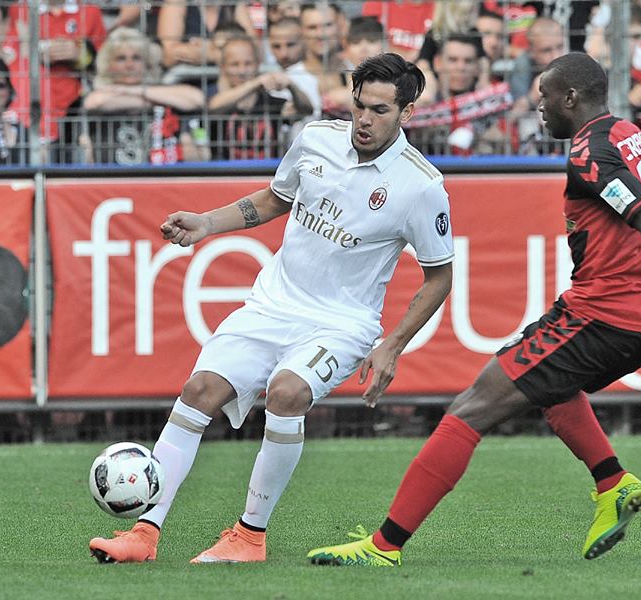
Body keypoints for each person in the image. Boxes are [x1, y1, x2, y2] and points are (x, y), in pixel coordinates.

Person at [306, 51, 641, 567]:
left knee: (469, 409)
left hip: (608, 314)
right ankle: (613, 483)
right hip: (634, 312)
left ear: (570, 98)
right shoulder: (626, 133)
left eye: (545, 99)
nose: (540, 110)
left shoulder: (590, 155)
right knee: (552, 386)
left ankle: (383, 546)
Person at [88, 52, 455, 564]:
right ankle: (144, 534)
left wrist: (391, 345)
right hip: (271, 304)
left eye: (379, 110)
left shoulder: (422, 186)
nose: (364, 121)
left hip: (341, 323)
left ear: (407, 113)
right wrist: (207, 224)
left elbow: (440, 275)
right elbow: (276, 198)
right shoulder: (316, 139)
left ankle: (249, 537)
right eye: (358, 107)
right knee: (199, 390)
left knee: (287, 393)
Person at [75, 27, 205, 165]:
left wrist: (135, 90)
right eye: (121, 58)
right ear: (108, 65)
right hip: (112, 175)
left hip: (161, 174)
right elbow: (95, 102)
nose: (129, 65)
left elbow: (197, 99)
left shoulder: (154, 90)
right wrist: (159, 100)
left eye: (136, 58)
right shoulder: (100, 93)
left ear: (147, 64)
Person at [208, 34, 314, 160]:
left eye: (248, 64)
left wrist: (291, 85)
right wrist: (256, 82)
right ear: (223, 67)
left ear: (258, 64)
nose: (242, 71)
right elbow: (212, 107)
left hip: (265, 173)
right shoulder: (219, 99)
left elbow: (307, 109)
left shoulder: (271, 103)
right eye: (234, 64)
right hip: (225, 176)